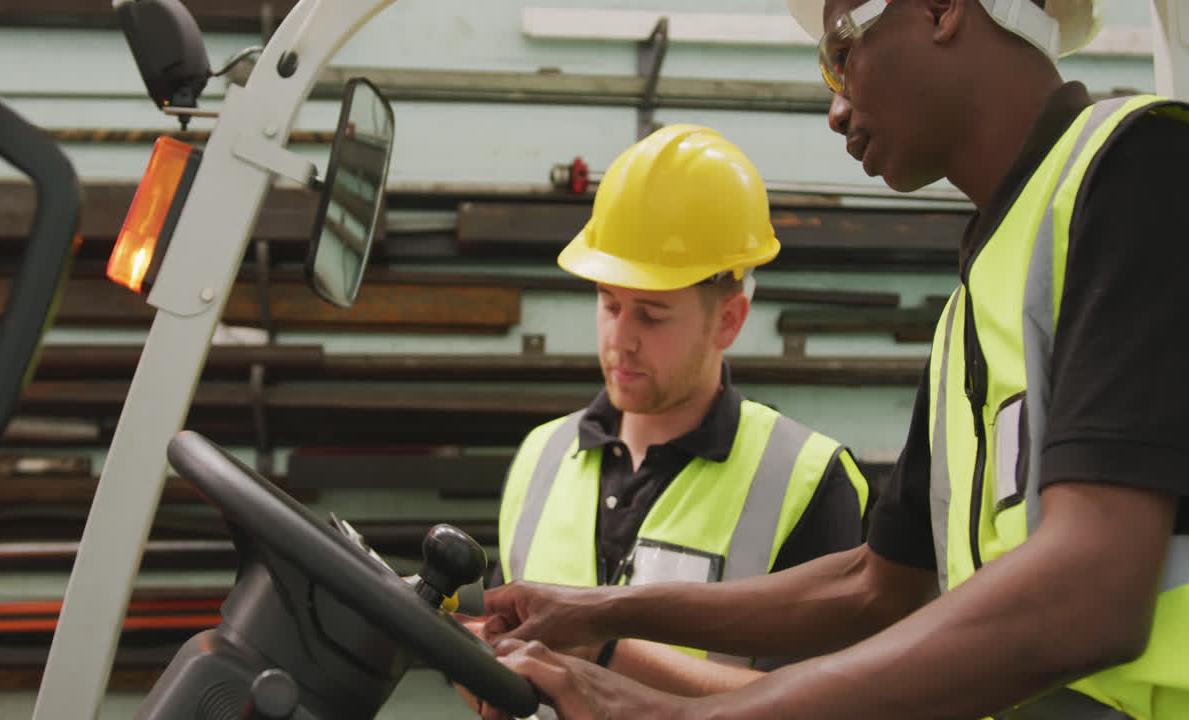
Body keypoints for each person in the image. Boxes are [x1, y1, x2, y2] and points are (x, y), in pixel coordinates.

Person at [475, 1, 1189, 719]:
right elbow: (875, 585)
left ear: (940, 10)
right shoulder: (976, 301)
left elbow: (1091, 592)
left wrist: (671, 712)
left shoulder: (1140, 167)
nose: (836, 110)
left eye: (839, 54)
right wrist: (599, 612)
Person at [466, 123, 871, 702]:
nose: (620, 340)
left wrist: (603, 649)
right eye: (609, 305)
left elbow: (822, 705)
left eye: (652, 315)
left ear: (729, 320)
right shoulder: (540, 457)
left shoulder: (806, 480)